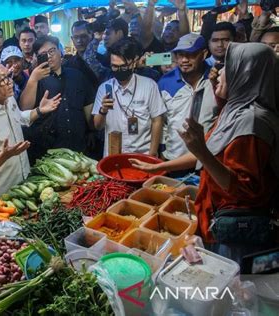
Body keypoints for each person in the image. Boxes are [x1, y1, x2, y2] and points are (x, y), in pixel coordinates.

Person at [131, 43, 279, 264]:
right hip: (216, 217)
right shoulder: (234, 109)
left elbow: (243, 190)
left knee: (235, 286)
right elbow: (211, 151)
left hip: (238, 230)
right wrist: (158, 167)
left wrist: (201, 150)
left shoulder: (253, 122)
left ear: (245, 74)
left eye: (227, 68)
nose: (217, 73)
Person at [0, 57, 60, 196]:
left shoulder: (8, 99)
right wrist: (4, 155)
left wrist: (39, 111)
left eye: (9, 76)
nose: (10, 82)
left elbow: (20, 118)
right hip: (0, 193)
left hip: (22, 182)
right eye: (3, 80)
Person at [20, 35, 95, 162]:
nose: (49, 56)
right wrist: (33, 79)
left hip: (79, 146)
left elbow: (88, 106)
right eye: (43, 54)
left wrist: (92, 131)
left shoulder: (77, 75)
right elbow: (24, 108)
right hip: (49, 151)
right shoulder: (36, 80)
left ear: (60, 51)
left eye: (51, 51)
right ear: (36, 58)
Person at [93, 38, 165, 157]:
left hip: (142, 154)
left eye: (123, 66)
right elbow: (98, 126)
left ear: (134, 62)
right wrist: (103, 110)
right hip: (113, 155)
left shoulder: (149, 85)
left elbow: (157, 120)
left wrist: (152, 152)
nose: (119, 70)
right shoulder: (104, 88)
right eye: (115, 66)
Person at [158, 33, 219, 167]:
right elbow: (162, 121)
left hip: (209, 160)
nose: (184, 60)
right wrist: (162, 151)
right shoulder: (165, 82)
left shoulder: (216, 80)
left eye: (190, 54)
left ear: (203, 54)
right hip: (174, 160)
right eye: (180, 55)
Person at [63, 20, 99, 89]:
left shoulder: (102, 61)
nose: (79, 40)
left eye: (83, 36)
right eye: (76, 37)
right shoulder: (67, 65)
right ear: (72, 39)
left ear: (91, 36)